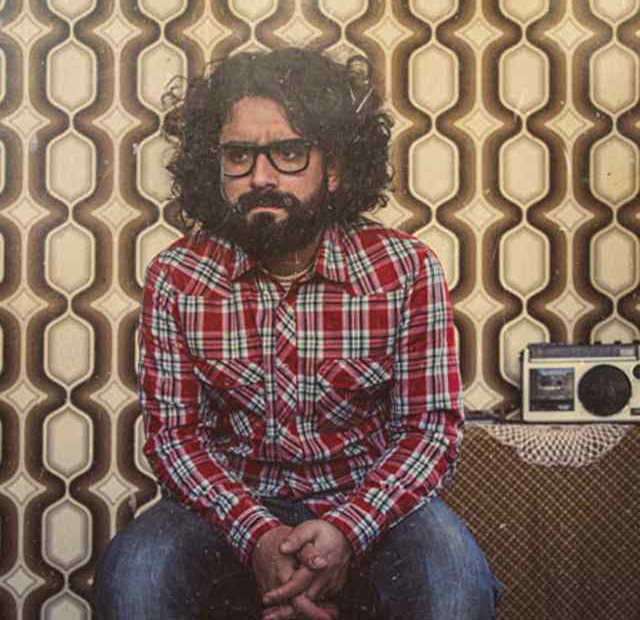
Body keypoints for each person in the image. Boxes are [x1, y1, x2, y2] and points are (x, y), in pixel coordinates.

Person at [95, 47, 500, 620]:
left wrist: (346, 529)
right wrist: (256, 534)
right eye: (238, 155)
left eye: (288, 153)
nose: (260, 177)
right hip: (226, 510)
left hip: (372, 507)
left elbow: (427, 430)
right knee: (135, 576)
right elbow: (175, 439)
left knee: (455, 585)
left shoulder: (404, 269)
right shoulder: (178, 276)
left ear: (333, 167)